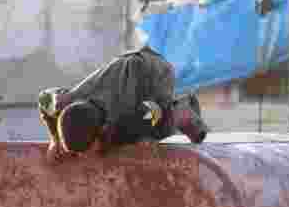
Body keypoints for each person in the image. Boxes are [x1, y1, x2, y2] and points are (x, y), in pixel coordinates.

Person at [38, 45, 206, 164]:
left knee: (150, 129)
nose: (84, 157)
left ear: (100, 131)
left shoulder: (128, 121)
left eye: (85, 152)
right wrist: (54, 139)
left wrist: (148, 137)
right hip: (123, 70)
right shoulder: (66, 101)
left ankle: (182, 112)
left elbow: (155, 110)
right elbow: (44, 98)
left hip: (154, 71)